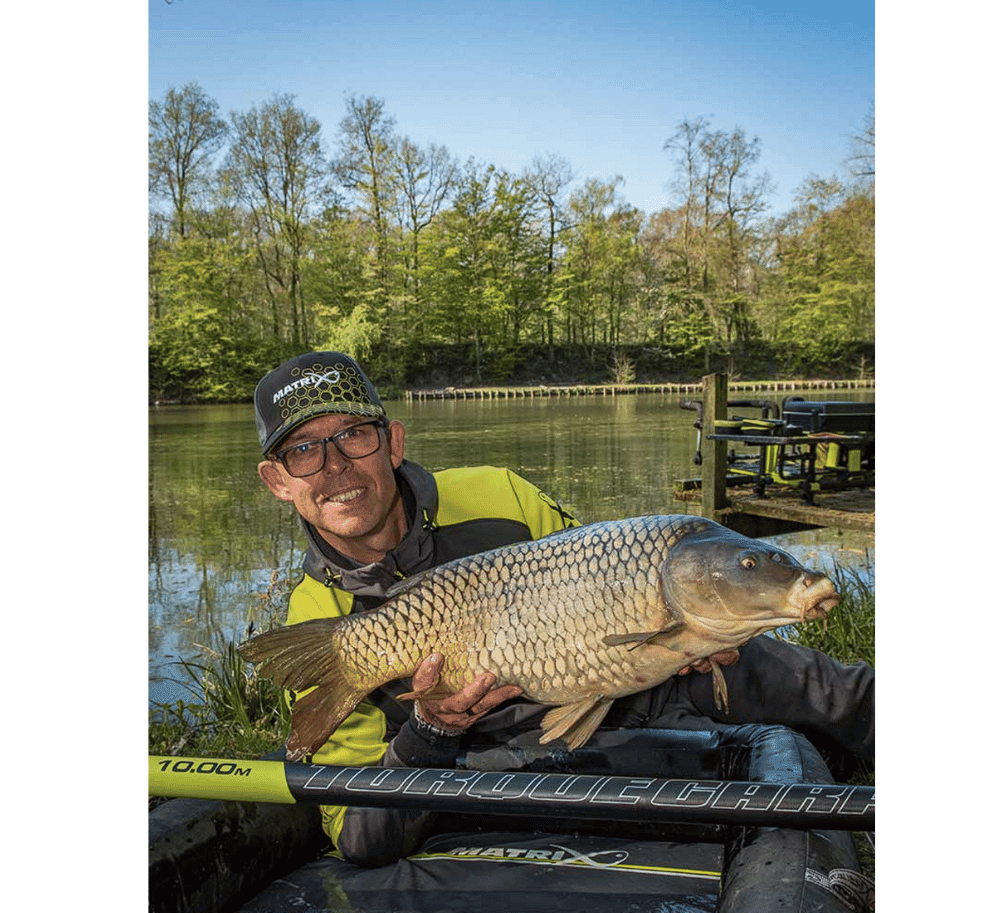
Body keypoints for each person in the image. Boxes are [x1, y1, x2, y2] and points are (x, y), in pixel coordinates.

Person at [254, 351, 875, 867]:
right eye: (303, 450)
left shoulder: (497, 493)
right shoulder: (315, 620)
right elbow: (356, 832)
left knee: (798, 677)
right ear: (278, 481)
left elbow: (604, 569)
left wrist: (683, 637)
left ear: (391, 442)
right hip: (473, 756)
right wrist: (432, 729)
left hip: (612, 689)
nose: (335, 466)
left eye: (353, 435)